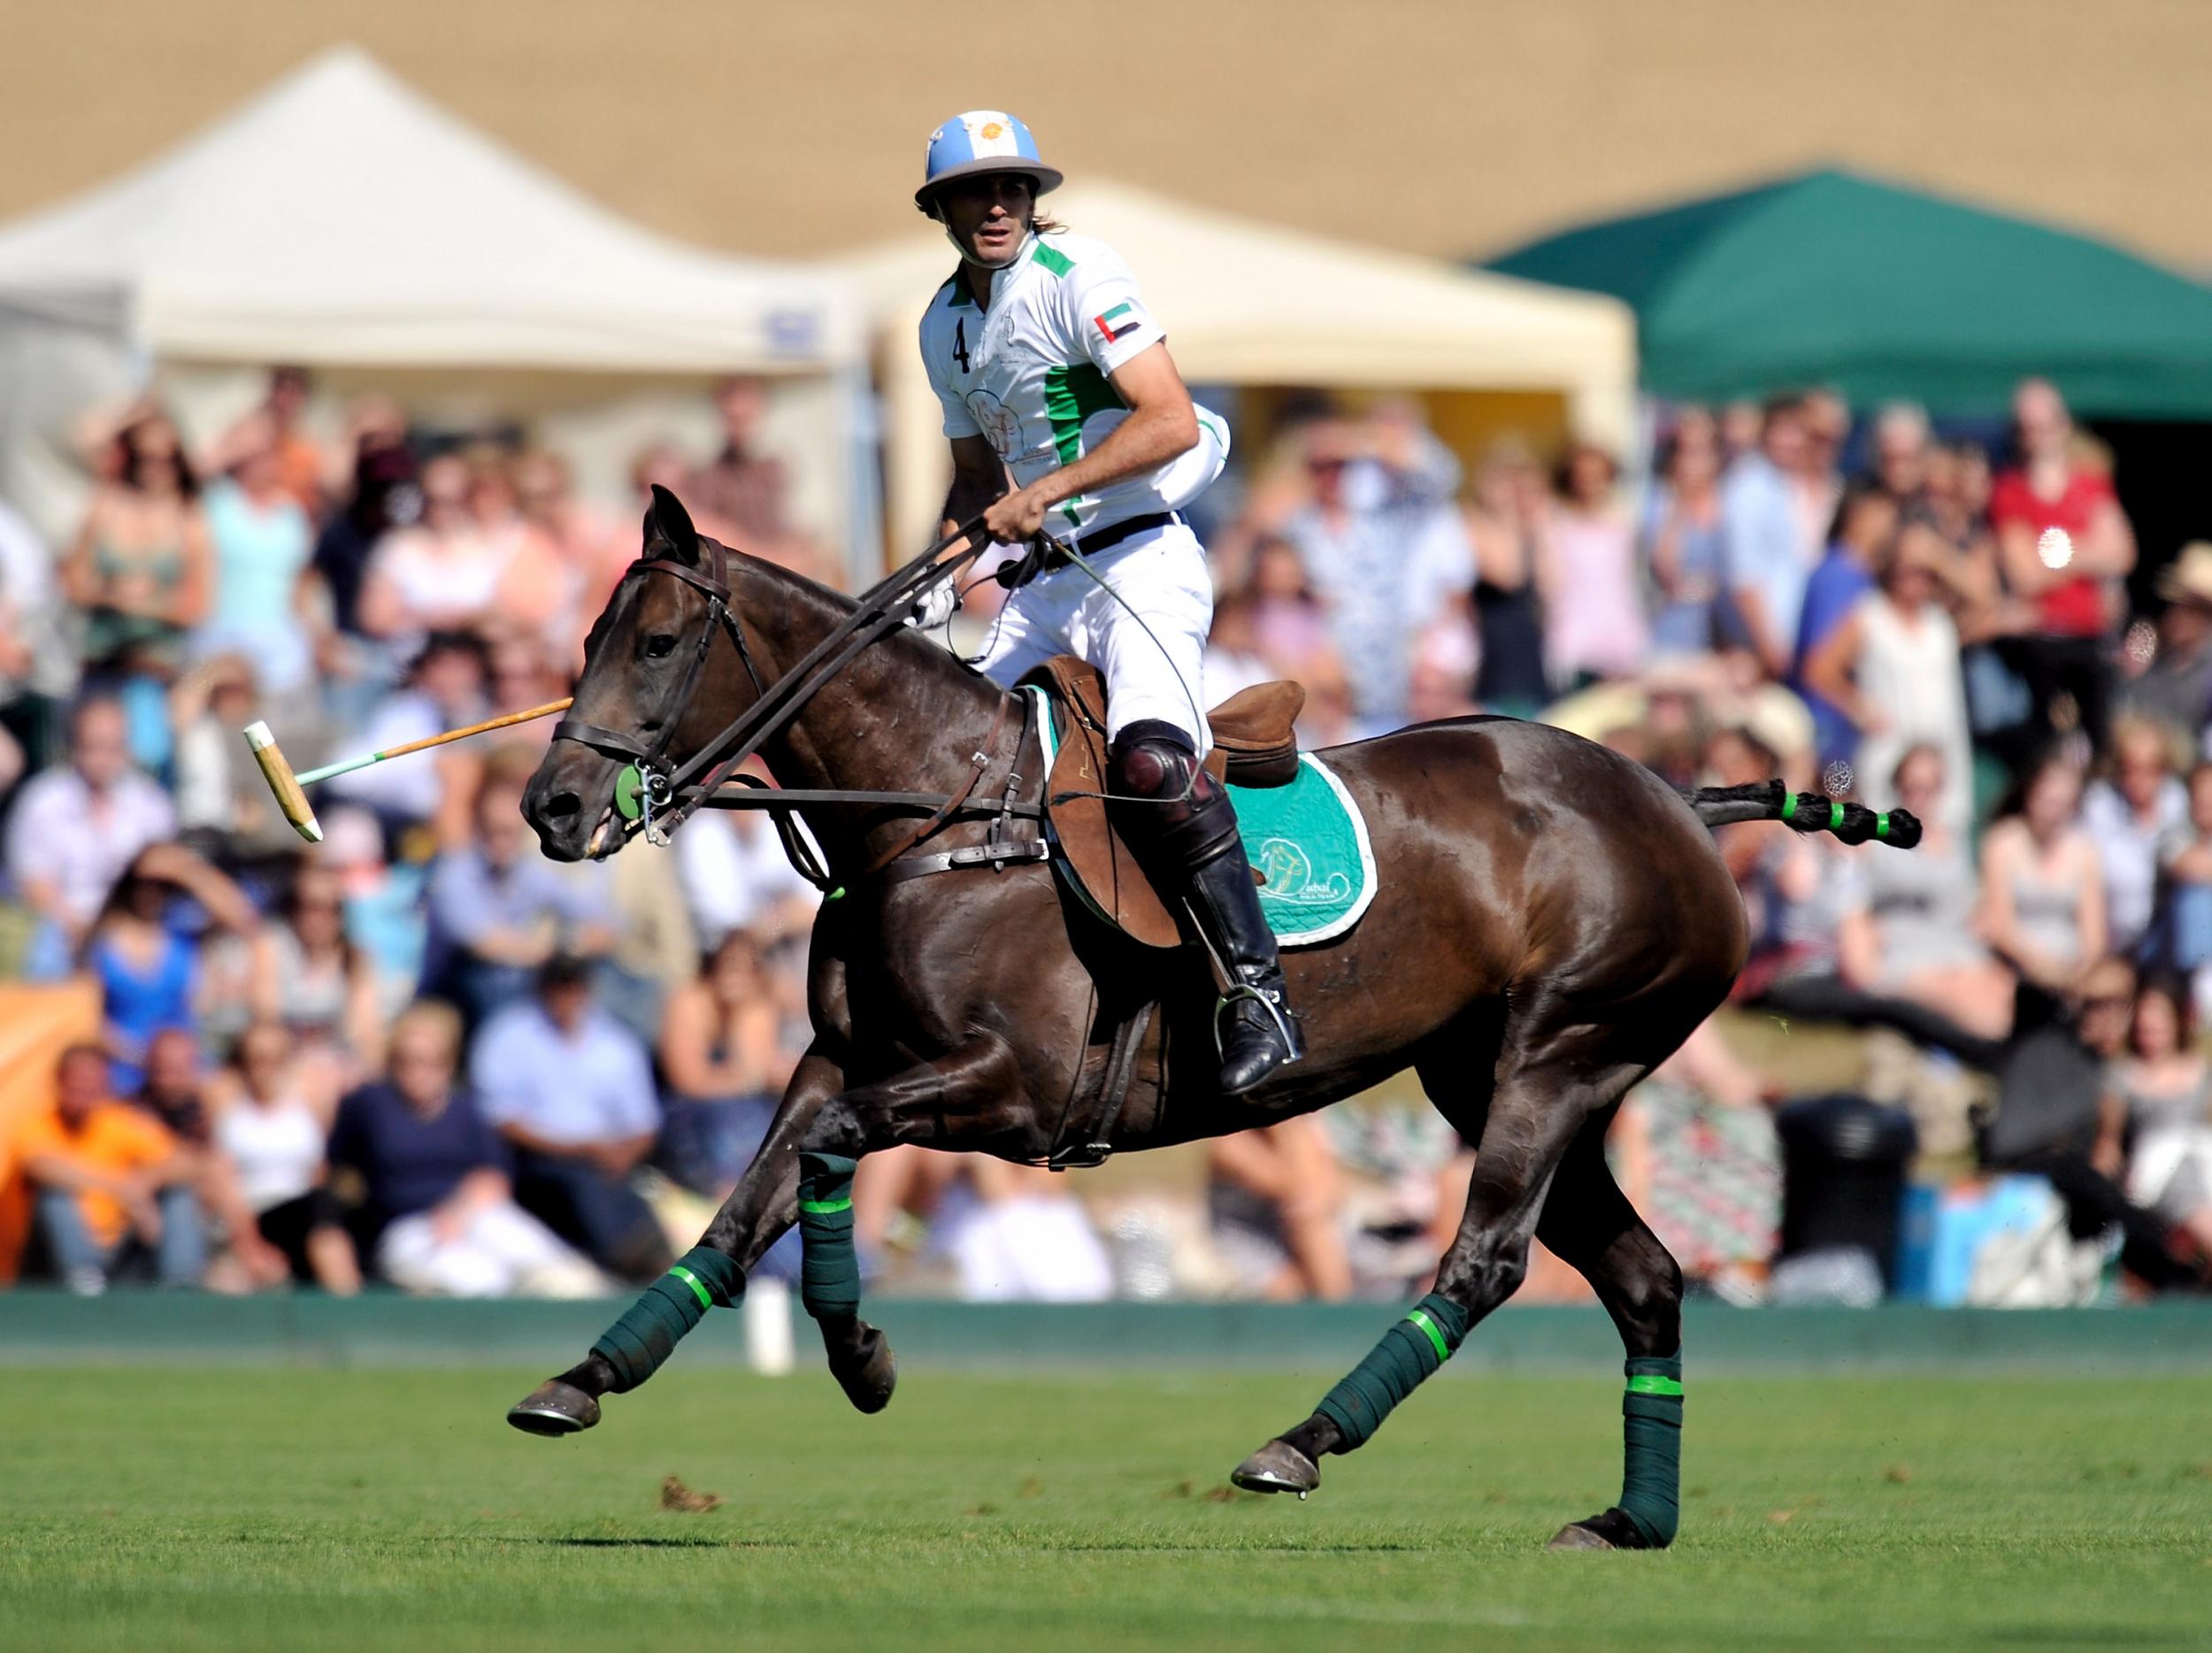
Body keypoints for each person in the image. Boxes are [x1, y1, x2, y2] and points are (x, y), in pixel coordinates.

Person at [910, 109, 1299, 1093]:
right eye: (975, 192)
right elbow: (971, 480)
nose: (997, 206)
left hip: (1135, 569)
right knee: (940, 762)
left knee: (1155, 762)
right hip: (1043, 590)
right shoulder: (941, 325)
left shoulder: (1076, 271)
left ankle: (1257, 992)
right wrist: (929, 570)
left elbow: (1169, 418)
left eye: (1013, 189)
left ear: (1033, 199)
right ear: (943, 208)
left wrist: (1042, 491)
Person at [329, 1001, 599, 1296]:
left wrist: (457, 1214)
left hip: (469, 1214)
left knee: (541, 1259)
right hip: (407, 1229)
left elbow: (494, 1177)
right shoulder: (370, 1104)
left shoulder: (467, 1111)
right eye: (406, 1061)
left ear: (448, 1065)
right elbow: (333, 1166)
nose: (418, 1073)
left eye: (430, 1062)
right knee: (480, 1279)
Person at [469, 955, 668, 1280]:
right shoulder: (508, 1036)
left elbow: (643, 1122)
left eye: (573, 988)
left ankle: (652, 1260)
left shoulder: (615, 1042)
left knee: (629, 1194)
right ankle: (622, 1263)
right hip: (537, 1160)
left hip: (608, 1160)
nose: (565, 998)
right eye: (558, 988)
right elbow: (500, 1119)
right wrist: (579, 1149)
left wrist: (622, 1154)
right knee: (583, 1185)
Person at [1990, 379, 2135, 756]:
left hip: (2092, 641)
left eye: (2042, 425)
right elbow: (2025, 575)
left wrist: (2052, 554)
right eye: (2025, 427)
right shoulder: (2010, 491)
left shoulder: (2090, 485)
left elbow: (2121, 552)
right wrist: (2086, 550)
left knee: (2101, 748)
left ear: (2062, 425)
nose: (2034, 436)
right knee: (2047, 754)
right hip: (2041, 643)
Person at [424, 750, 615, 1028]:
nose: (500, 842)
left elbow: (599, 923)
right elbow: (485, 945)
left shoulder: (530, 871)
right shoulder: (455, 874)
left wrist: (577, 942)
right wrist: (556, 949)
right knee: (494, 982)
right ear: (477, 826)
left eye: (508, 832)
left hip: (515, 984)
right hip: (456, 991)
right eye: (492, 831)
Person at [19, 1042, 204, 1291]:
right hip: (63, 1254)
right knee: (54, 1197)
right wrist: (122, 1190)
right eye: (77, 1080)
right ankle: (84, 1279)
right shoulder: (39, 1126)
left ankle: (181, 1284)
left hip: (124, 1242)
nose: (84, 1088)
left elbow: (184, 1162)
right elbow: (40, 1166)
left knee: (178, 1195)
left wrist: (147, 1182)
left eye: (92, 1081)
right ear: (60, 1082)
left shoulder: (121, 1122)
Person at [1860, 745, 2016, 1041]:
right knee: (1975, 1007)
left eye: (1929, 786)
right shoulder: (1875, 839)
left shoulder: (1955, 841)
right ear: (1898, 785)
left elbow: (1972, 905)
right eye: (1913, 786)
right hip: (1907, 953)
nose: (1920, 795)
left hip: (1958, 949)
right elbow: (1859, 907)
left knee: (2002, 991)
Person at [81, 843, 261, 1096]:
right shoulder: (102, 941)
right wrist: (142, 1057)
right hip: (123, 1074)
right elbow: (85, 1017)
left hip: (185, 1069)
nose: (153, 893)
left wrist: (188, 872)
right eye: (145, 884)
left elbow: (245, 920)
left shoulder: (181, 934)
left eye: (164, 886)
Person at [5, 696, 178, 948]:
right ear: (74, 745)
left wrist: (126, 930)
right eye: (93, 746)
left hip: (135, 926)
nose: (102, 758)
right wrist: (85, 932)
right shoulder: (42, 802)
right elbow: (35, 886)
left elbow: (162, 878)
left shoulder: (151, 804)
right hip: (61, 930)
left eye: (112, 746)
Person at [203, 1021, 361, 1294]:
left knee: (326, 1224)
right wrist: (250, 1246)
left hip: (304, 1218)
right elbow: (223, 1182)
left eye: (277, 1058)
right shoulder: (229, 1106)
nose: (266, 1068)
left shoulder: (308, 1104)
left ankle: (352, 1312)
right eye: (257, 1058)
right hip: (253, 1218)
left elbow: (318, 1172)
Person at [60, 409, 212, 683]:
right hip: (101, 661)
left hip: (159, 667)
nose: (154, 468)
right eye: (144, 457)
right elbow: (74, 583)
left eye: (166, 460)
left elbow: (198, 607)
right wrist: (113, 593)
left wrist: (146, 603)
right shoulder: (106, 506)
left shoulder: (190, 519)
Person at [657, 927, 802, 1196]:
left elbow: (752, 1073)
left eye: (747, 968)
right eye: (731, 963)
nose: (735, 975)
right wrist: (749, 1078)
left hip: (740, 1111)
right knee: (727, 1121)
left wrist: (739, 1018)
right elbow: (688, 1081)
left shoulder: (755, 1009)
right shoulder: (689, 1000)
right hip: (690, 1112)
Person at [1980, 755, 2106, 1033]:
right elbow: (2000, 925)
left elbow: (2094, 935)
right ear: (2030, 795)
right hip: (2016, 968)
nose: (2053, 811)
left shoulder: (2085, 852)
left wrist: (2076, 973)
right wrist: (2042, 969)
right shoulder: (2002, 843)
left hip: (2072, 969)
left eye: (2062, 804)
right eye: (2048, 801)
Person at [2099, 976, 2212, 1265]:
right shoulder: (2124, 1076)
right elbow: (2108, 1143)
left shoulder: (2200, 1071)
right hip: (2158, 1171)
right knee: (2184, 1183)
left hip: (2202, 1159)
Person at [1718, 395, 1816, 680]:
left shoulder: (1779, 485)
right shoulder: (1748, 488)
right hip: (1760, 656)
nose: (1791, 440)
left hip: (1779, 651)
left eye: (1798, 431)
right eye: (1782, 430)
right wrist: (1771, 652)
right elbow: (1744, 579)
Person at [2081, 717, 2188, 960]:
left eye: (2153, 767)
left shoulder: (2179, 801)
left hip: (2162, 942)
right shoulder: (2099, 806)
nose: (2140, 778)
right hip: (2109, 938)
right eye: (2131, 767)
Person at [1540, 442, 1645, 688]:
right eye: (1583, 475)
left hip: (1621, 638)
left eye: (1597, 475)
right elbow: (1551, 584)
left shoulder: (1624, 521)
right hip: (1575, 642)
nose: (1590, 482)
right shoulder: (1556, 521)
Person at [1641, 411, 1727, 657]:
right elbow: (1665, 568)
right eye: (1685, 451)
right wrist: (1681, 506)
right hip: (1672, 633)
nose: (1692, 462)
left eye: (1701, 451)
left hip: (1723, 638)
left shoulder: (1731, 501)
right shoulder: (1659, 502)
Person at [2124, 543, 2212, 734]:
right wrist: (2131, 673)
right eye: (2174, 604)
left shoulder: (2207, 670)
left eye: (2191, 608)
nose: (2176, 615)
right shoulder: (2159, 661)